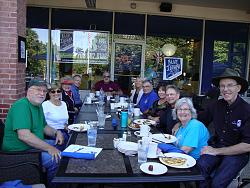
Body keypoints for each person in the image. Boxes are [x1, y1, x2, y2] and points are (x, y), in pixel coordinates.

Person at [1, 77, 64, 187]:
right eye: (38, 90)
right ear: (29, 90)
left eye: (44, 91)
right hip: (18, 152)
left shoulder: (37, 105)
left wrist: (56, 132)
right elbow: (24, 136)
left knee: (62, 146)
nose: (42, 93)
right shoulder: (21, 105)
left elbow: (44, 126)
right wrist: (49, 148)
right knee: (56, 159)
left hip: (32, 146)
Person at [197, 68, 250, 188]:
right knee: (199, 169)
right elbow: (199, 120)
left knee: (217, 183)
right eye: (222, 86)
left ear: (238, 88)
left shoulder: (247, 111)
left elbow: (247, 145)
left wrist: (216, 151)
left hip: (238, 154)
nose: (225, 89)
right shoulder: (215, 105)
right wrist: (181, 122)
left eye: (230, 85)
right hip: (217, 146)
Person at [42, 83, 69, 150]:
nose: (56, 93)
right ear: (49, 93)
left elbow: (65, 121)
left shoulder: (64, 104)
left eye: (58, 91)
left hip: (64, 130)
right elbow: (42, 123)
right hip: (52, 132)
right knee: (66, 138)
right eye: (53, 91)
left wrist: (67, 126)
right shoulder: (45, 104)